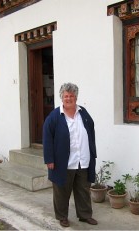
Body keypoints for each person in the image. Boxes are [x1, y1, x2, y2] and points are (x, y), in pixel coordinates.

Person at [43, 82, 97, 227]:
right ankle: (62, 217)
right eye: (66, 96)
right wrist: (49, 159)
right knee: (61, 191)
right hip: (63, 162)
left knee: (83, 190)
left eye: (71, 96)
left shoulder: (83, 113)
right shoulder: (54, 116)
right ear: (61, 98)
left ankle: (85, 215)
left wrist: (92, 152)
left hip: (83, 160)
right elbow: (47, 138)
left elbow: (91, 131)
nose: (69, 98)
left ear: (76, 97)